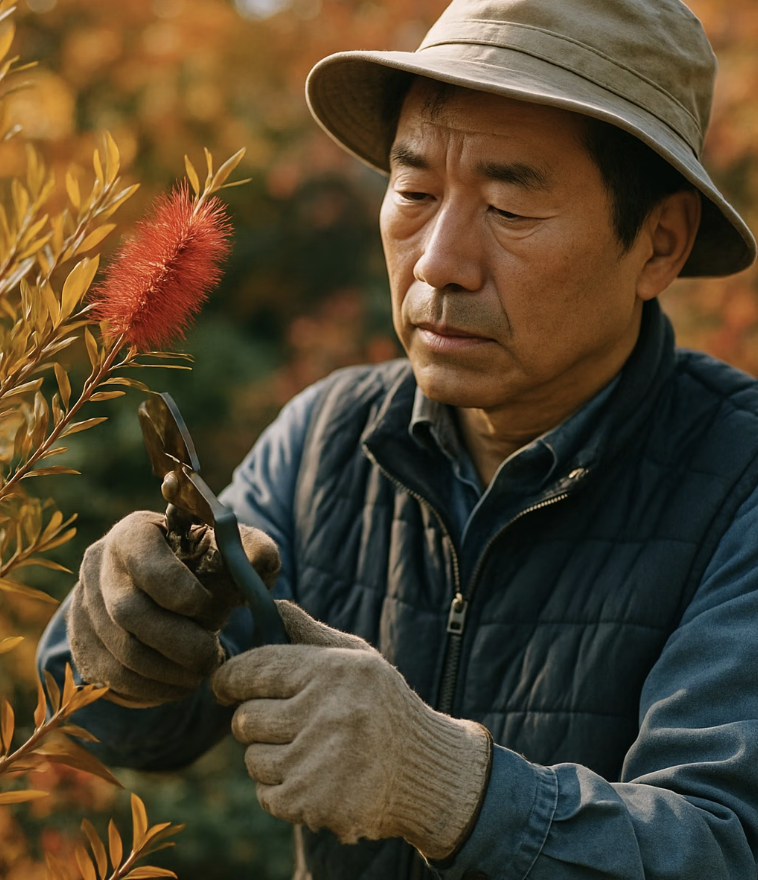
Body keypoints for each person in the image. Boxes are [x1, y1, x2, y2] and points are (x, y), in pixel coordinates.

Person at [37, 0, 758, 877]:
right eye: (414, 192)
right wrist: (129, 631)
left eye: (509, 207)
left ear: (659, 244)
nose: (438, 262)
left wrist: (442, 785)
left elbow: (723, 843)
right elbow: (115, 730)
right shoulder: (328, 438)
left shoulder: (740, 485)